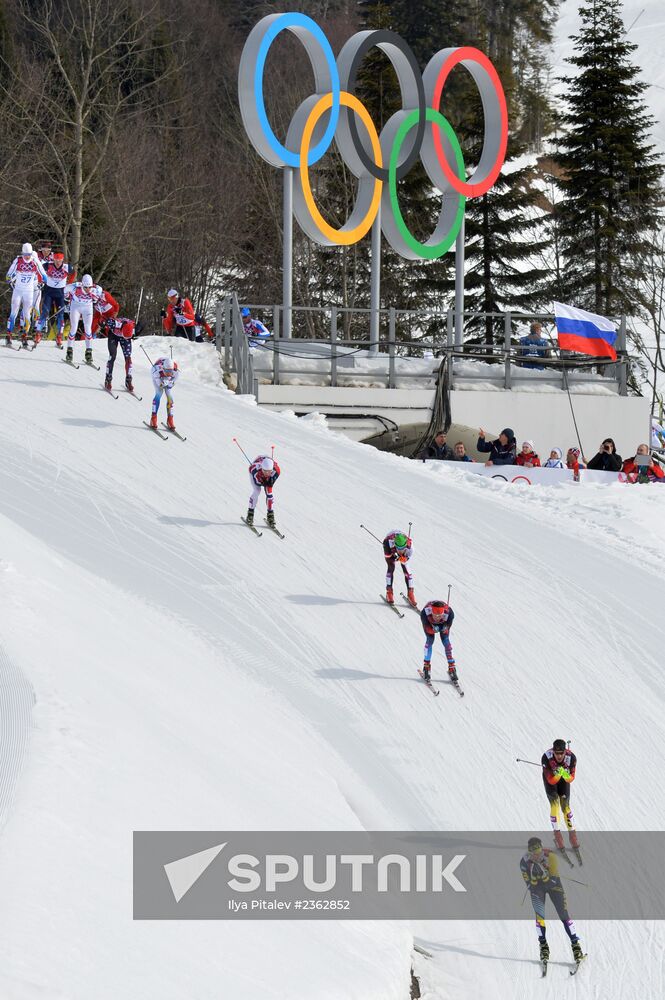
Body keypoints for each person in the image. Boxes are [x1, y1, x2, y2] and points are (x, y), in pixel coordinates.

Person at [520, 836, 584, 967]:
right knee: (540, 917)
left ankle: (575, 945)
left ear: (541, 849)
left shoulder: (551, 856)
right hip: (537, 889)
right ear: (529, 852)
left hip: (554, 886)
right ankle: (543, 946)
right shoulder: (524, 862)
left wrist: (542, 878)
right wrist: (533, 881)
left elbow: (553, 880)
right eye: (533, 853)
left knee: (564, 915)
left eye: (538, 852)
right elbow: (528, 884)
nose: (536, 855)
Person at [6, 243, 47, 345]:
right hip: (18, 291)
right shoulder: (18, 260)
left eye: (28, 254)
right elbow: (10, 272)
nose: (27, 257)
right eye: (25, 254)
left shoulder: (34, 261)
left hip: (29, 292)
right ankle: (9, 335)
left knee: (27, 315)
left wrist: (43, 281)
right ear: (22, 253)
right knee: (13, 313)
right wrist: (9, 279)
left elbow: (43, 273)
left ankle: (25, 336)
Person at [541, 739, 578, 850]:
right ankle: (557, 834)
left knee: (566, 807)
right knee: (555, 805)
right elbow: (551, 780)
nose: (559, 756)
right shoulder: (546, 757)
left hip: (563, 780)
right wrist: (558, 774)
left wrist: (564, 774)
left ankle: (572, 835)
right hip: (551, 780)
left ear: (565, 751)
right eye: (557, 753)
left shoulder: (571, 757)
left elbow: (571, 779)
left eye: (561, 753)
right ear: (553, 752)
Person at [38, 251, 75, 346]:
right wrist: (41, 280)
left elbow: (73, 273)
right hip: (49, 292)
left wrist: (69, 283)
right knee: (45, 311)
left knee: (60, 314)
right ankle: (38, 333)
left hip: (60, 294)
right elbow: (39, 270)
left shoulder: (67, 267)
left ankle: (59, 336)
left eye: (60, 260)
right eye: (56, 260)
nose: (58, 262)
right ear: (53, 259)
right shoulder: (48, 265)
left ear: (63, 260)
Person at [64, 274, 100, 363]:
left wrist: (95, 300)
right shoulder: (75, 287)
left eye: (89, 287)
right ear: (82, 285)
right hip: (75, 307)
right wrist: (67, 297)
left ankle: (88, 353)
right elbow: (65, 289)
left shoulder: (96, 289)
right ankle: (69, 352)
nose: (88, 289)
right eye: (86, 287)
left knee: (88, 329)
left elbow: (97, 297)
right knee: (74, 328)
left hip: (87, 308)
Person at [420, 599, 457, 683]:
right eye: (435, 615)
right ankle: (426, 666)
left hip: (443, 624)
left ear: (443, 613)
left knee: (446, 643)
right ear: (431, 612)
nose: (437, 618)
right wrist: (433, 630)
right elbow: (427, 628)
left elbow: (448, 626)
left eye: (439, 615)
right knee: (429, 641)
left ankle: (452, 667)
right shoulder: (425, 613)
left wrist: (445, 627)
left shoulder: (449, 614)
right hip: (430, 624)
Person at [246, 455, 281, 528]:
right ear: (262, 468)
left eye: (269, 472)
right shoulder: (255, 470)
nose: (267, 473)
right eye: (265, 471)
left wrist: (271, 481)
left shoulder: (276, 470)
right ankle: (250, 514)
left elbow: (270, 483)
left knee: (270, 495)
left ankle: (270, 515)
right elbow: (257, 483)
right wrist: (265, 482)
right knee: (257, 491)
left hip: (266, 460)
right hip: (255, 471)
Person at [383, 530, 415, 607]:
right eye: (399, 548)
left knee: (406, 570)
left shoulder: (410, 548)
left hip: (398, 545)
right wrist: (395, 556)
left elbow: (406, 562)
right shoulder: (388, 542)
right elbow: (390, 557)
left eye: (403, 548)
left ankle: (410, 593)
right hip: (389, 545)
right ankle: (389, 592)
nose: (401, 550)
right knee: (391, 567)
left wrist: (404, 559)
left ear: (406, 545)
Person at [104, 317, 135, 392]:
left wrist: (130, 336)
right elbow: (104, 320)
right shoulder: (114, 323)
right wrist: (103, 323)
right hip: (113, 335)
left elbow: (141, 325)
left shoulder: (133, 326)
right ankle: (108, 378)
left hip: (125, 338)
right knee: (112, 356)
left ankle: (129, 379)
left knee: (128, 358)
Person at [150, 356, 179, 429]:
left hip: (166, 378)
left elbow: (173, 382)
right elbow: (160, 385)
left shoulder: (176, 371)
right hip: (158, 377)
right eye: (167, 371)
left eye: (170, 371)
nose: (169, 373)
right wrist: (162, 383)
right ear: (163, 368)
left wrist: (170, 383)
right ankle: (153, 418)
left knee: (170, 398)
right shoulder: (156, 371)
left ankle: (170, 419)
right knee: (159, 393)